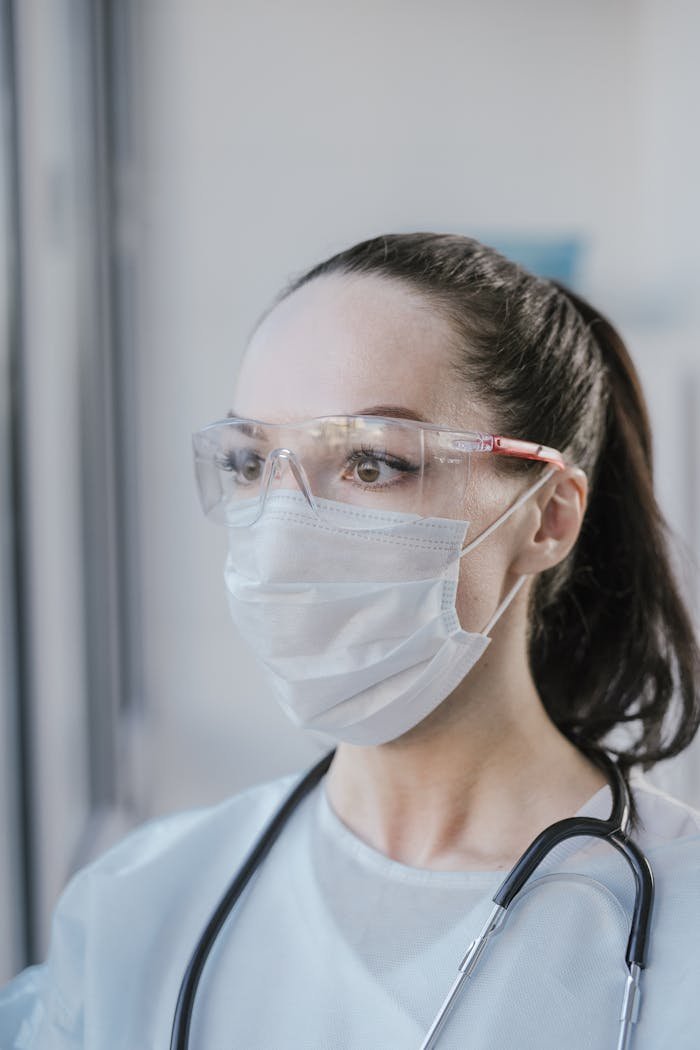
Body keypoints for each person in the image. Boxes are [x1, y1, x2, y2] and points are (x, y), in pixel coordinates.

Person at [2, 232, 700, 1049]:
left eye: (371, 463)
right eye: (249, 462)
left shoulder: (681, 926)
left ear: (548, 518)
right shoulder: (142, 906)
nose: (284, 529)